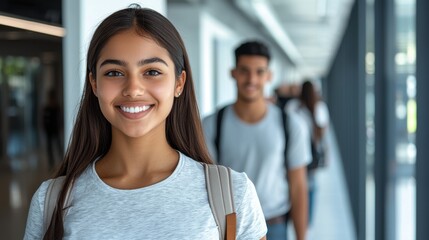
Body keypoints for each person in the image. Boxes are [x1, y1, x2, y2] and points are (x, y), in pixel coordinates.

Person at [24, 6, 267, 239]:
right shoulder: (51, 201)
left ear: (179, 83)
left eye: (152, 71)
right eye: (114, 73)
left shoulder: (234, 194)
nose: (133, 89)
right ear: (94, 84)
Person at [203, 41, 311, 240]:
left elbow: (298, 187)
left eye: (259, 72)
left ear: (269, 76)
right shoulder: (211, 125)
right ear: (233, 73)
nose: (251, 79)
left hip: (275, 225)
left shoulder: (290, 125)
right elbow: (205, 184)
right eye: (244, 71)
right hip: (229, 228)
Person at [285, 79, 330, 226]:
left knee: (294, 184)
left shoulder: (292, 107)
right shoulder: (320, 107)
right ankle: (306, 220)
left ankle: (293, 216)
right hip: (312, 156)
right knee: (309, 185)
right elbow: (323, 133)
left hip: (294, 154)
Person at [42, 88, 62, 169]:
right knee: (49, 146)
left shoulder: (56, 107)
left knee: (58, 145)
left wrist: (60, 126)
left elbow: (60, 118)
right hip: (49, 129)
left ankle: (61, 160)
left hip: (55, 128)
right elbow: (43, 119)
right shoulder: (46, 107)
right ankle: (51, 162)